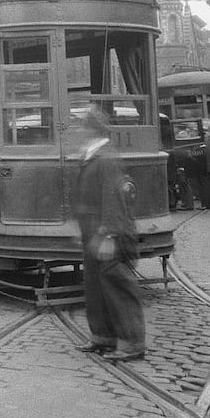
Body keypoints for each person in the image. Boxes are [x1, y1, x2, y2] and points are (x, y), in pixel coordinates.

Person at [70, 105, 147, 362]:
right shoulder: (92, 156)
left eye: (79, 126)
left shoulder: (106, 158)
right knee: (95, 284)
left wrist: (109, 235)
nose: (75, 131)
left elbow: (113, 200)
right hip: (92, 229)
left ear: (91, 128)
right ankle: (102, 337)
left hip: (107, 230)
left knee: (117, 284)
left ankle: (132, 343)